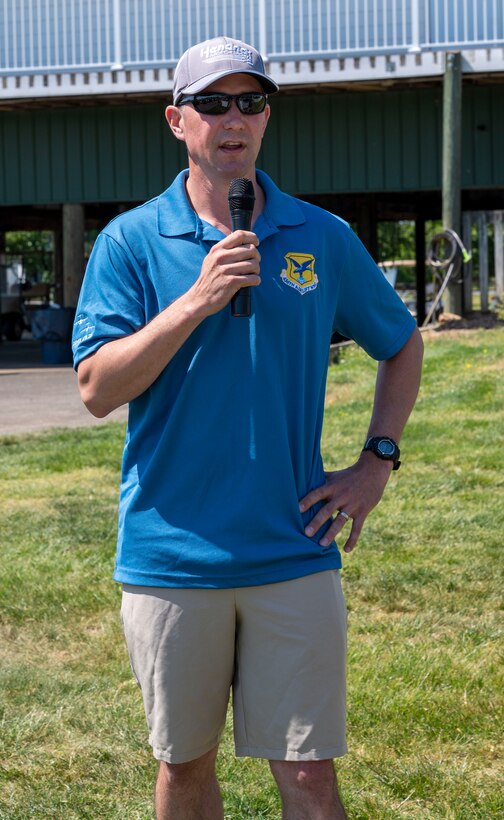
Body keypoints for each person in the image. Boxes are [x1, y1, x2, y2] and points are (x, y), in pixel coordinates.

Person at [73, 35, 423, 820]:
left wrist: (377, 461)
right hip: (173, 558)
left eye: (251, 101)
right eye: (212, 102)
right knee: (185, 767)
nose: (234, 119)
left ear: (265, 117)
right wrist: (196, 300)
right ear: (176, 119)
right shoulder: (130, 242)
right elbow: (97, 388)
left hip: (292, 550)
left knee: (308, 777)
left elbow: (400, 345)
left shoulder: (320, 237)